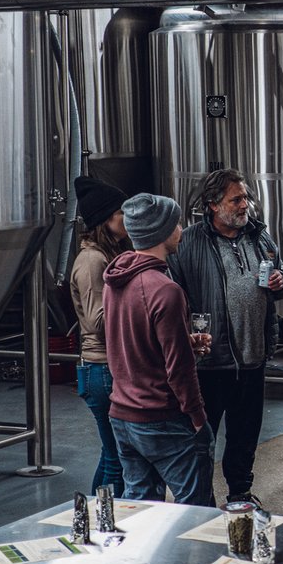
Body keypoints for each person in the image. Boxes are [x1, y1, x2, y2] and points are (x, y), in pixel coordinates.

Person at [167, 168, 283, 507]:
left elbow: (281, 278)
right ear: (212, 204)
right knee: (201, 438)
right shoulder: (190, 242)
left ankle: (240, 493)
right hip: (209, 362)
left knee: (245, 435)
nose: (244, 205)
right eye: (236, 199)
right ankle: (199, 500)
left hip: (253, 357)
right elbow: (172, 296)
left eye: (246, 198)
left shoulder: (259, 237)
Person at [104, 194, 214, 506]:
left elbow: (129, 340)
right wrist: (196, 417)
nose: (181, 229)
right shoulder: (166, 290)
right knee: (195, 512)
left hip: (123, 416)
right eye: (176, 223)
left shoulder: (114, 281)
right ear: (162, 231)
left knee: (139, 511)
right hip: (161, 417)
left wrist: (185, 339)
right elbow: (179, 369)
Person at [69, 175, 131, 496]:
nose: (127, 218)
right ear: (106, 219)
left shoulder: (106, 255)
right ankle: (98, 523)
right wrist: (141, 315)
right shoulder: (93, 260)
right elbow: (98, 320)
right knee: (116, 458)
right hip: (100, 369)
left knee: (114, 455)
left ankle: (97, 521)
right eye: (122, 213)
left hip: (106, 368)